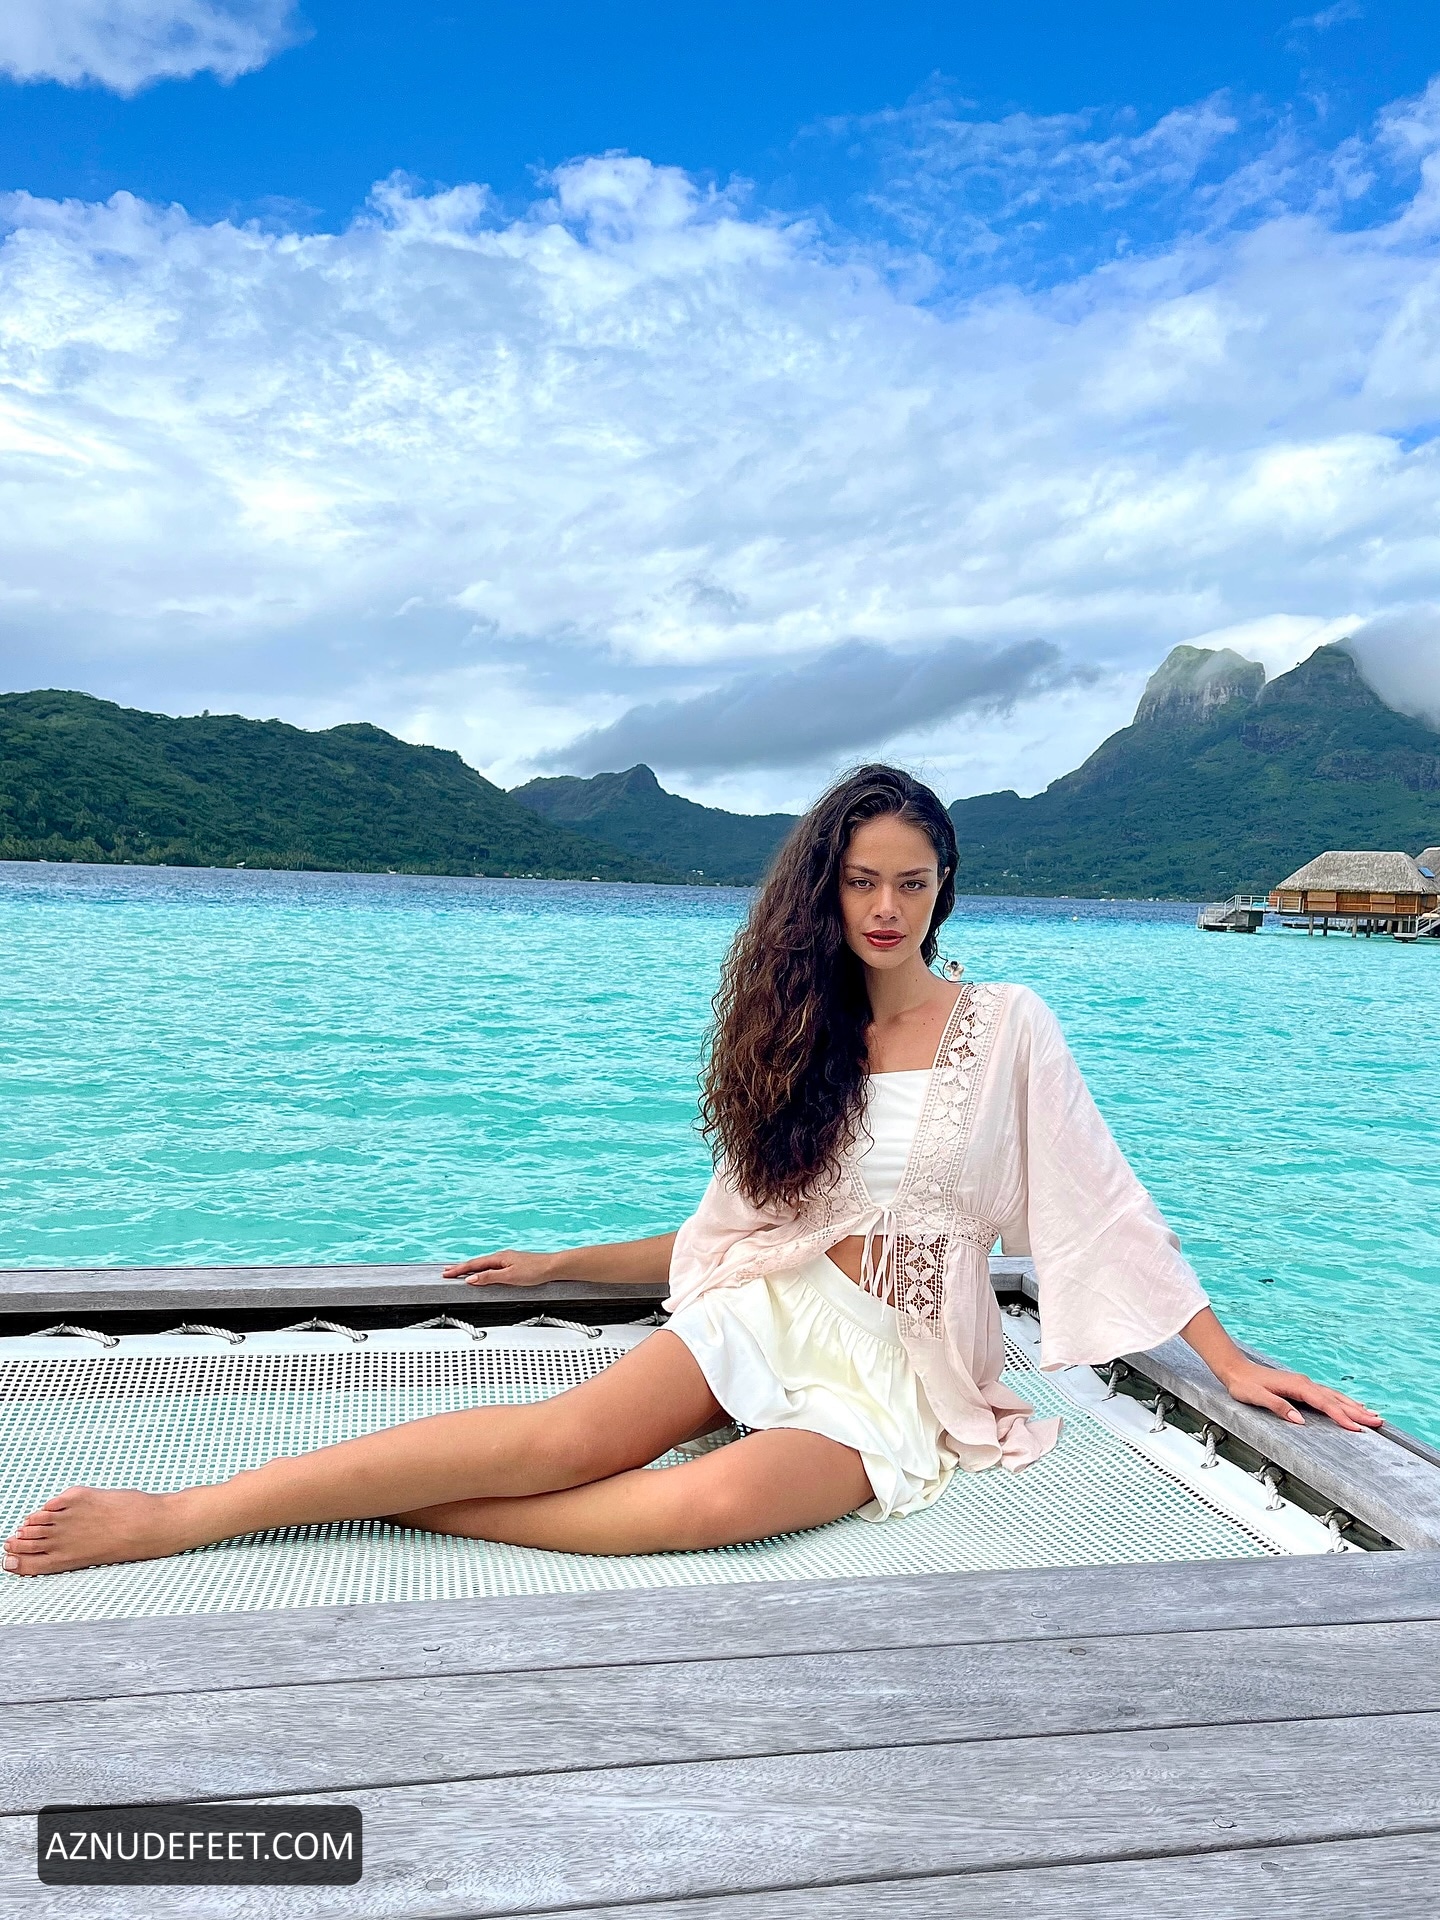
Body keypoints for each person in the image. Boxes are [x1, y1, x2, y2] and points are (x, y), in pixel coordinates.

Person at [4, 766, 1379, 1577]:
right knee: (563, 1441)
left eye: (910, 882)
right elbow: (732, 1229)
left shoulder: (1007, 1026)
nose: (885, 907)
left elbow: (1101, 1202)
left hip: (904, 1369)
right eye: (861, 881)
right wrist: (562, 1263)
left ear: (944, 888)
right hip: (777, 1306)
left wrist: (1226, 1356)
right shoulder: (805, 1040)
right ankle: (187, 1515)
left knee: (707, 1506)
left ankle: (383, 1502)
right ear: (826, 889)